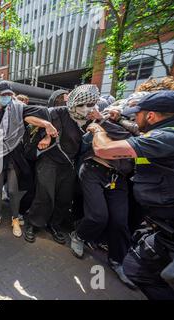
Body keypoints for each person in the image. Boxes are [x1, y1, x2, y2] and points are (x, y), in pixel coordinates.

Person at [85, 90, 174, 300]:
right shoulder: (164, 131)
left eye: (137, 113)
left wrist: (98, 130)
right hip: (163, 223)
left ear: (151, 116)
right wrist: (118, 120)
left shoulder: (166, 137)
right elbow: (136, 130)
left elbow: (104, 149)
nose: (134, 117)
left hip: (168, 222)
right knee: (138, 269)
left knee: (151, 273)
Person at [69, 107, 137, 289]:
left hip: (119, 178)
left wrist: (110, 122)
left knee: (120, 222)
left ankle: (117, 261)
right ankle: (78, 235)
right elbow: (117, 140)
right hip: (94, 170)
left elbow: (134, 139)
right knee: (98, 216)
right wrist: (104, 122)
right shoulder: (102, 122)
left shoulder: (146, 131)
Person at [25, 84, 100, 244]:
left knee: (64, 198)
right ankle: (34, 224)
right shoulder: (56, 112)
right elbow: (27, 116)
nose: (85, 109)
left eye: (90, 105)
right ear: (72, 103)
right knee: (44, 194)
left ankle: (54, 225)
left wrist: (99, 119)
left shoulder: (89, 119)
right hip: (49, 161)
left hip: (69, 164)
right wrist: (46, 128)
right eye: (81, 105)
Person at [0, 81, 57, 238]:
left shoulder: (19, 107)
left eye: (9, 95)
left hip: (15, 153)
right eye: (3, 95)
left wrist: (45, 124)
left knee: (12, 190)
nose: (7, 97)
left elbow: (30, 117)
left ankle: (15, 219)